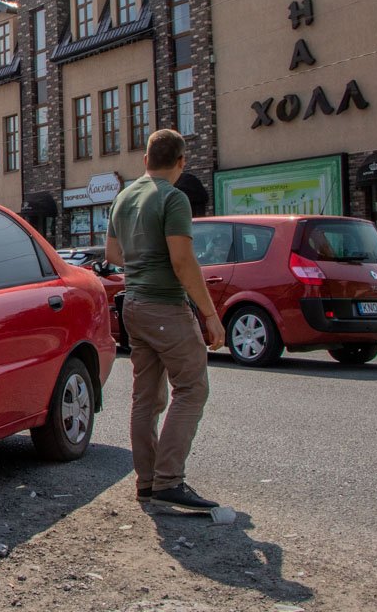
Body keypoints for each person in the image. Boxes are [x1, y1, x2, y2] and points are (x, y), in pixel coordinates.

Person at [105, 129, 225, 511]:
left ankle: (147, 482)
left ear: (145, 160)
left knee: (147, 397)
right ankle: (170, 481)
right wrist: (210, 314)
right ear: (181, 163)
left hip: (134, 305)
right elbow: (182, 261)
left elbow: (112, 253)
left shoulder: (123, 197)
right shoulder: (174, 199)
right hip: (165, 306)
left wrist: (141, 264)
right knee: (192, 388)